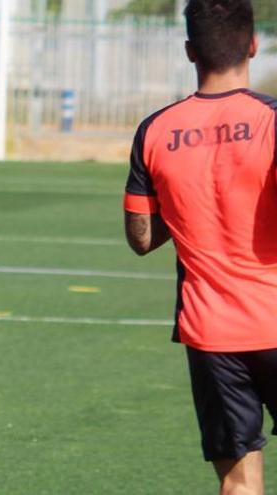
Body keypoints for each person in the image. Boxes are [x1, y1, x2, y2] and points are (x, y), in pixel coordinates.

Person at [123, 1, 277, 494]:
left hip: (209, 332)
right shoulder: (271, 120)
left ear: (191, 51)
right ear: (253, 45)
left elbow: (141, 237)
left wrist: (187, 199)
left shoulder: (154, 129)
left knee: (238, 484)